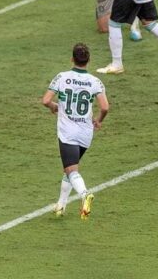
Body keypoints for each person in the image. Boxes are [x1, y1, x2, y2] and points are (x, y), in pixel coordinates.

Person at [42, 43, 109, 220]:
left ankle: (84, 194)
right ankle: (61, 205)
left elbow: (45, 100)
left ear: (72, 59)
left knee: (71, 170)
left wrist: (53, 106)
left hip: (67, 133)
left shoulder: (62, 77)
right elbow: (104, 107)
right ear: (89, 60)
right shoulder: (95, 82)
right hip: (86, 133)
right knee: (70, 168)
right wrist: (98, 121)